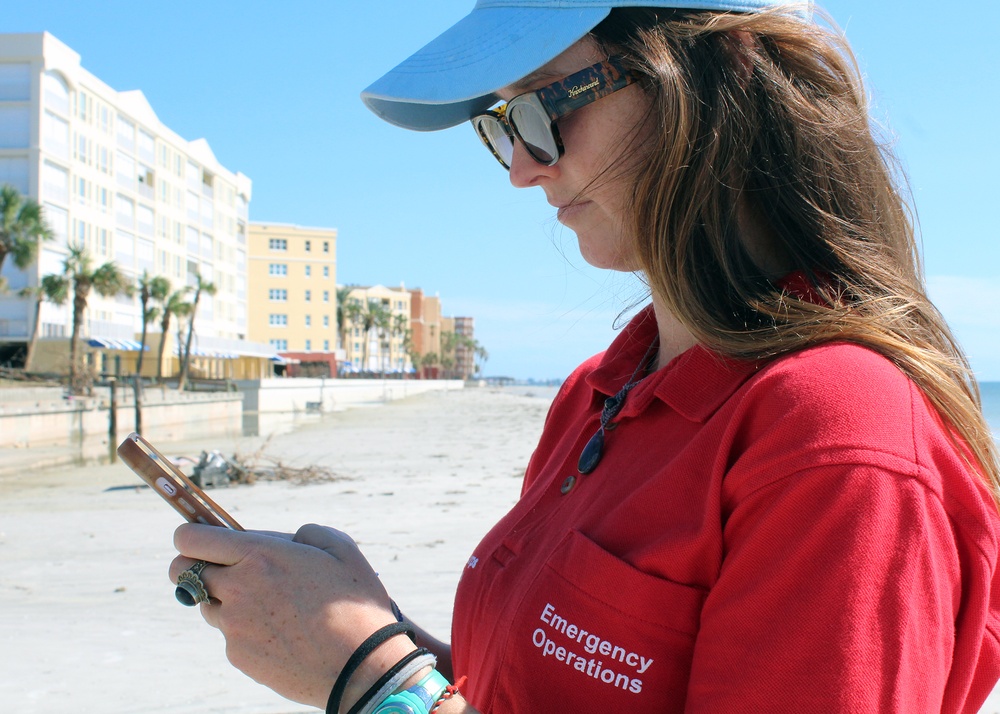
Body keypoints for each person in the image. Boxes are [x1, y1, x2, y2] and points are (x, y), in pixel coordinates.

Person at [170, 1, 1000, 712]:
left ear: (723, 78)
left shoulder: (836, 434)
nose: (525, 170)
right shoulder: (600, 393)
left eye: (543, 109)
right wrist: (378, 637)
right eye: (504, 128)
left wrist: (371, 678)